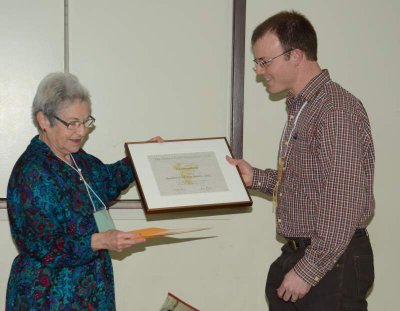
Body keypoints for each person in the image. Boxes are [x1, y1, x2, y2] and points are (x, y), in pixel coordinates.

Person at [227, 11, 375, 311]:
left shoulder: (334, 109)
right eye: (257, 62)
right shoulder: (305, 107)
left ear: (295, 55)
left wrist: (309, 270)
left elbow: (342, 200)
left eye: (263, 61)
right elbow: (305, 183)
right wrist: (255, 177)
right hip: (310, 254)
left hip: (332, 261)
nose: (258, 71)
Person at [6, 72, 156, 310]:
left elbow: (106, 181)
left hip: (91, 289)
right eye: (72, 123)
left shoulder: (78, 159)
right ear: (44, 120)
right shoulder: (33, 173)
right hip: (50, 295)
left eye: (86, 121)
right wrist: (99, 240)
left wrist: (140, 157)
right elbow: (44, 245)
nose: (82, 131)